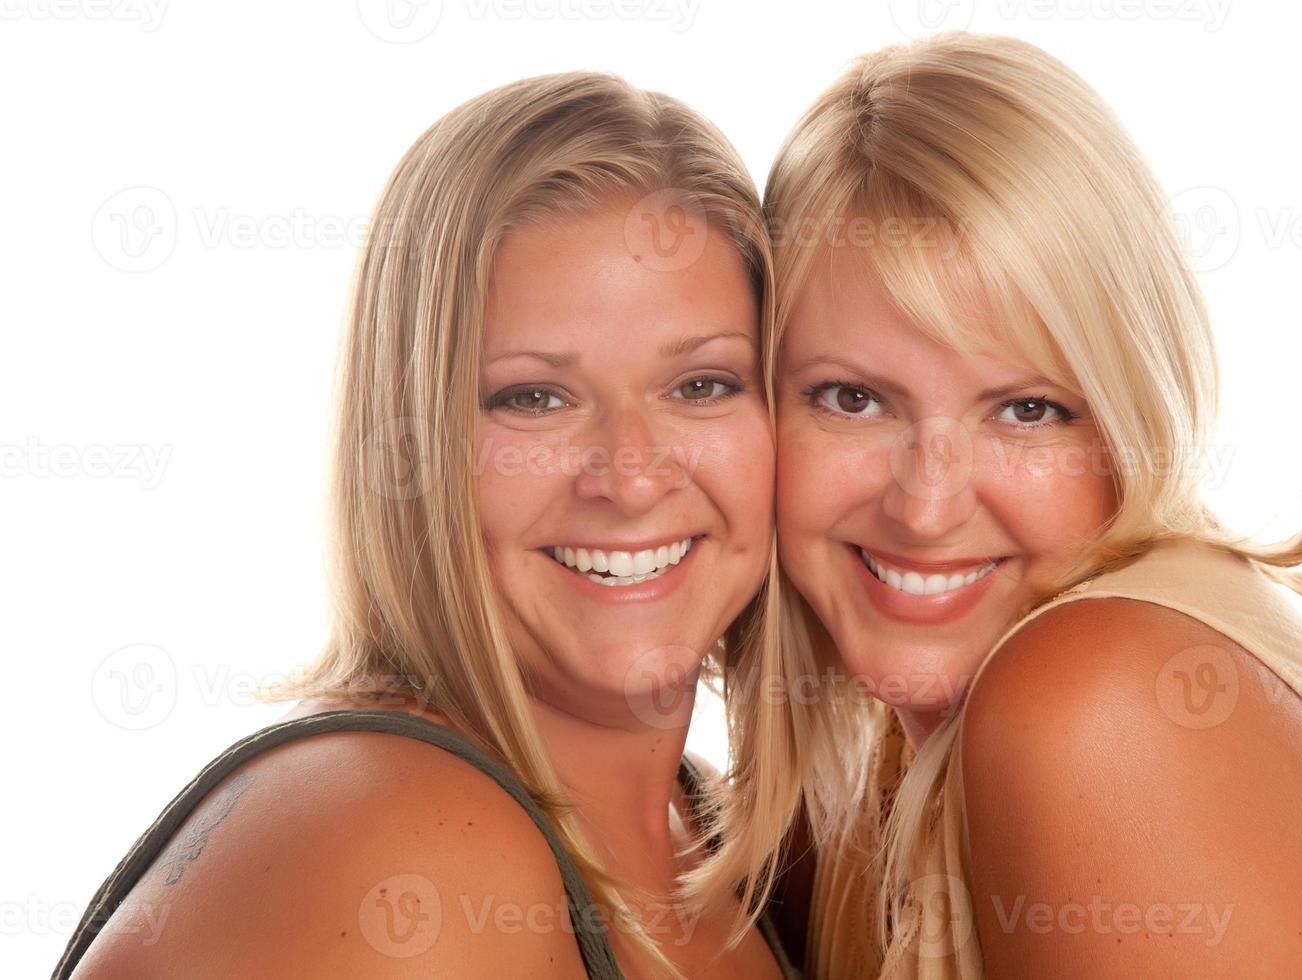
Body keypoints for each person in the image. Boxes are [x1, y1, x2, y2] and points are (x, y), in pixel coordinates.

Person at [735, 31, 1302, 978]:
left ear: (1132, 425)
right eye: (853, 398)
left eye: (1028, 411)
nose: (924, 505)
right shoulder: (850, 776)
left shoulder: (1101, 705)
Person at [56, 71, 797, 980]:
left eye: (701, 385)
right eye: (533, 398)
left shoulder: (717, 834)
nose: (633, 477)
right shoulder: (404, 853)